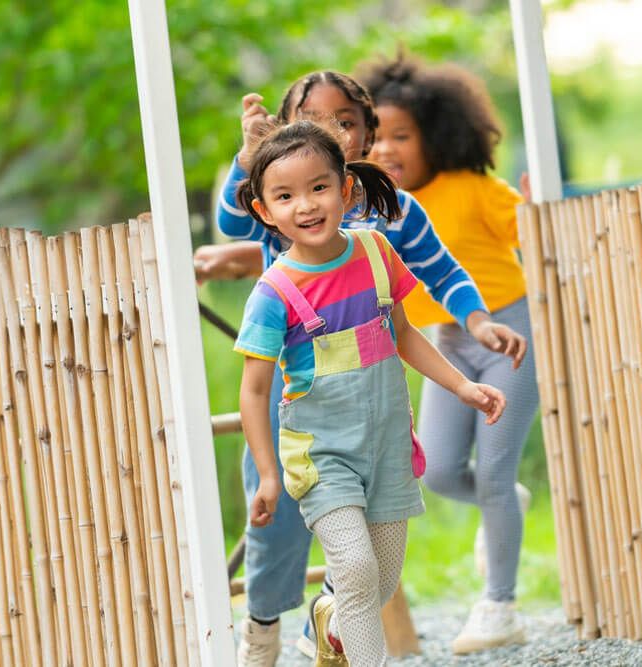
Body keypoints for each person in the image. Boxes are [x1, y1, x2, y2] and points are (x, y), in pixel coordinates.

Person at [201, 70, 526, 666]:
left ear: (357, 157)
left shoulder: (385, 228)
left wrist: (472, 344)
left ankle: (330, 615)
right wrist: (246, 156)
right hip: (299, 411)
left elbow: (427, 293)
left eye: (344, 122)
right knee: (283, 543)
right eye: (312, 121)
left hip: (377, 418)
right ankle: (265, 633)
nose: (305, 202)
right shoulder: (283, 233)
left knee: (369, 575)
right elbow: (231, 220)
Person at [357, 54, 541, 654]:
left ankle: (500, 605)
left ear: (436, 137)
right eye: (376, 137)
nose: (387, 149)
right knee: (435, 469)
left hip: (510, 336)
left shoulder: (473, 190)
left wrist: (538, 206)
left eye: (402, 137)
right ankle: (504, 503)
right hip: (449, 347)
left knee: (491, 469)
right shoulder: (376, 210)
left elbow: (533, 232)